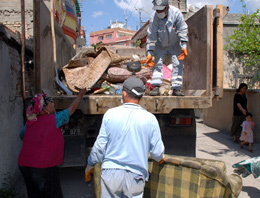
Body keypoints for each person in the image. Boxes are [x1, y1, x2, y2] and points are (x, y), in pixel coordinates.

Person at [85, 77, 165, 198]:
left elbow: (99, 147)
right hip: (136, 177)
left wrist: (90, 164)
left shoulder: (110, 114)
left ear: (124, 93)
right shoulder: (150, 119)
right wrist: (160, 158)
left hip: (110, 175)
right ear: (141, 97)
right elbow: (157, 153)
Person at [18, 88, 86, 198]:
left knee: (34, 194)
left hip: (24, 165)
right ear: (45, 110)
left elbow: (22, 135)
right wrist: (80, 96)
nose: (53, 103)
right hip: (43, 166)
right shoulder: (55, 119)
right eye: (50, 102)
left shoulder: (30, 121)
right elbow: (71, 109)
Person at [146, 0, 188, 96]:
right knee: (157, 64)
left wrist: (184, 46)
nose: (159, 13)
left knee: (178, 64)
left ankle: (176, 88)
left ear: (167, 8)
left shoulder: (176, 13)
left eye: (161, 10)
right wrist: (149, 52)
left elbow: (182, 29)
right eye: (157, 10)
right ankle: (156, 87)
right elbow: (151, 36)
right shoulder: (154, 17)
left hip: (175, 43)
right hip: (160, 44)